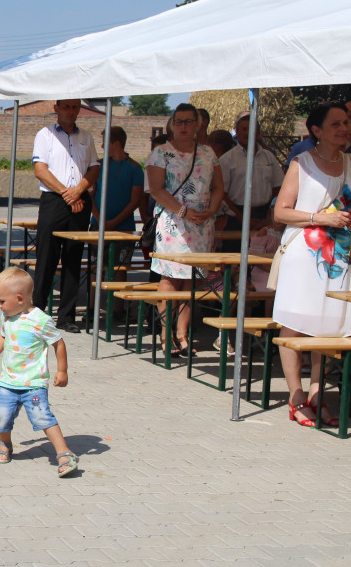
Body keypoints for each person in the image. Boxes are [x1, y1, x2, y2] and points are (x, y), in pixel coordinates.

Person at [273, 101, 351, 428]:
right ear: (317, 130)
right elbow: (280, 212)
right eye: (336, 123)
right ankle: (296, 397)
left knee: (329, 326)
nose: (344, 128)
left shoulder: (350, 163)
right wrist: (318, 217)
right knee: (295, 323)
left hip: (340, 257)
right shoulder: (302, 164)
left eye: (346, 122)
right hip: (305, 256)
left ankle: (319, 395)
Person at [0, 266, 78, 477]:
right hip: (7, 382)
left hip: (33, 383)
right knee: (2, 416)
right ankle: (4, 444)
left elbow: (58, 344)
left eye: (1, 301)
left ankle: (64, 453)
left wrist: (62, 371)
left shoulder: (41, 320)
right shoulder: (8, 316)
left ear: (19, 298)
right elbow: (3, 336)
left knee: (43, 417)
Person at [146, 103, 224, 356]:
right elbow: (157, 189)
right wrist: (182, 211)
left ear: (197, 125)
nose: (183, 126)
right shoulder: (161, 153)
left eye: (188, 121)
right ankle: (165, 333)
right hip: (173, 223)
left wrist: (212, 210)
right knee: (170, 277)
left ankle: (183, 334)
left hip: (202, 223)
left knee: (191, 280)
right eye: (178, 121)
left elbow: (218, 187)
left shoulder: (208, 153)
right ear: (171, 124)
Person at [31, 99, 99, 331]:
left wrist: (78, 191)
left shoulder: (86, 137)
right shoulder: (45, 135)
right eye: (66, 107)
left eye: (74, 107)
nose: (71, 111)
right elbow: (40, 169)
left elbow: (93, 167)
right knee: (47, 258)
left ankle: (67, 317)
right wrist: (66, 193)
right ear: (57, 109)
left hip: (80, 201)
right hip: (54, 201)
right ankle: (37, 312)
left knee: (73, 259)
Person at [217, 113, 284, 250]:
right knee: (234, 260)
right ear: (236, 131)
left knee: (262, 260)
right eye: (244, 129)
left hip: (264, 215)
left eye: (252, 129)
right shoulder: (227, 159)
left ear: (258, 132)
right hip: (235, 216)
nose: (248, 133)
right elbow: (221, 193)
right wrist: (241, 217)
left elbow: (278, 188)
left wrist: (269, 217)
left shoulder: (269, 157)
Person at [91, 126, 143, 287]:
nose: (101, 147)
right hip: (97, 225)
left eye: (104, 143)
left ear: (116, 143)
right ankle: (92, 306)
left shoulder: (135, 168)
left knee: (120, 268)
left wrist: (113, 223)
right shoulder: (97, 167)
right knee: (95, 268)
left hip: (124, 227)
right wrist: (101, 222)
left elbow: (135, 200)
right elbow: (90, 195)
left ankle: (118, 309)